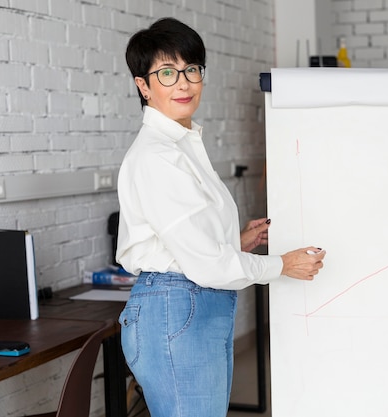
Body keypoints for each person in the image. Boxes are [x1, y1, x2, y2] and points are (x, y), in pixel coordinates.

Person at [116, 17, 326, 417]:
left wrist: (236, 240)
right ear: (142, 85)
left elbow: (192, 240)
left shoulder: (184, 144)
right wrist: (283, 265)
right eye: (166, 72)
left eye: (191, 69)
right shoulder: (158, 155)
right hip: (176, 308)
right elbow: (206, 264)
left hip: (191, 306)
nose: (183, 83)